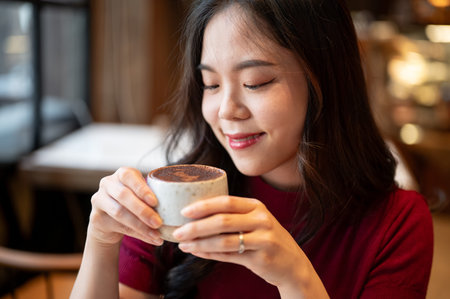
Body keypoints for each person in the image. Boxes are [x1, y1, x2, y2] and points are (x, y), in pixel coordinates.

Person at [70, 0, 433, 298]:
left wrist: (295, 278)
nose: (226, 110)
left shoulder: (398, 224)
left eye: (255, 82)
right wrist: (101, 241)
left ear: (324, 78)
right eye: (210, 84)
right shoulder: (175, 196)